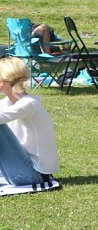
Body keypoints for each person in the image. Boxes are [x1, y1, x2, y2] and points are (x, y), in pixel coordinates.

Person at [0, 57, 61, 194]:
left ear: (5, 81)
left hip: (34, 174)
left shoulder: (29, 104)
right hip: (21, 169)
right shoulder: (7, 103)